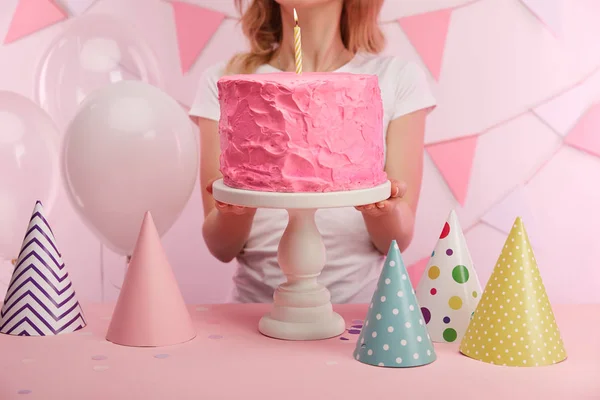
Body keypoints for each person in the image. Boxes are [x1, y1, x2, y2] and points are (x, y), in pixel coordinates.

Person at [189, 0, 436, 304]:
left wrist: (384, 207)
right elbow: (221, 247)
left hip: (359, 317)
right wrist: (240, 201)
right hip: (252, 315)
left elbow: (394, 242)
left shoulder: (394, 78)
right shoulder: (229, 83)